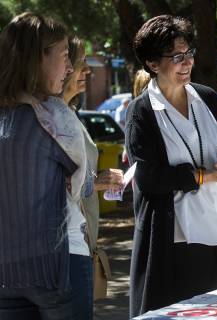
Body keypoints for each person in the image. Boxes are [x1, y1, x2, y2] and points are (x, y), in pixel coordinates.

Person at [126, 15, 217, 317]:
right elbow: (148, 178)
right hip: (177, 242)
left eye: (188, 54)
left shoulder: (208, 97)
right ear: (152, 63)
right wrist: (206, 175)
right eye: (176, 57)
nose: (186, 63)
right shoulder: (142, 112)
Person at [0, 12, 83, 319]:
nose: (70, 67)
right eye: (64, 55)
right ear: (38, 58)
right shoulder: (52, 116)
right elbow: (80, 186)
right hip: (48, 270)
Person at [62, 36, 124, 311]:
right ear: (61, 67)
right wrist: (95, 182)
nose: (87, 70)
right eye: (81, 63)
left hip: (82, 243)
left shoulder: (70, 113)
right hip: (63, 250)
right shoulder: (51, 119)